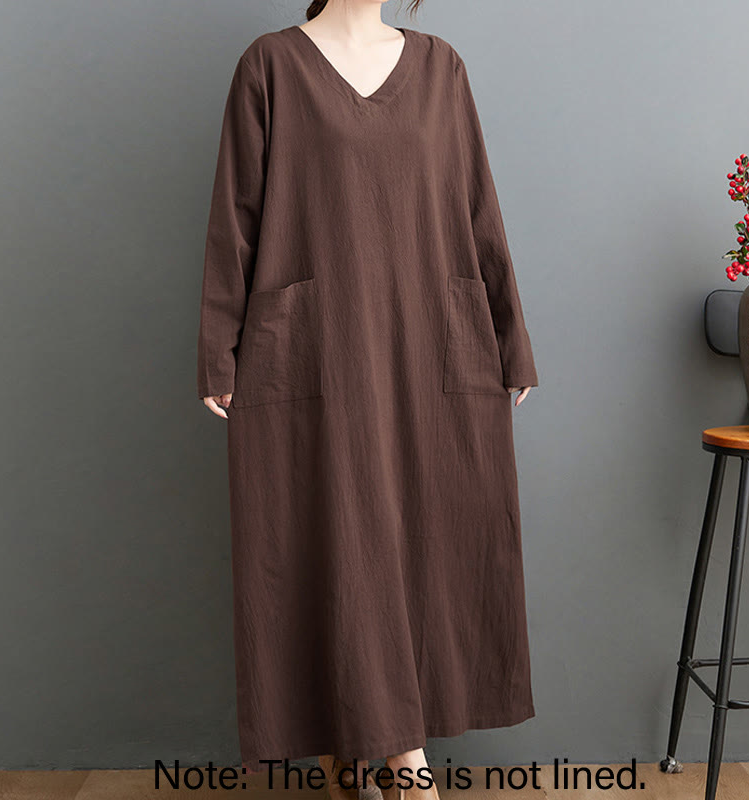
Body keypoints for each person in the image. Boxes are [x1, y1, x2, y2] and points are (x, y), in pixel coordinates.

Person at [196, 1, 539, 798]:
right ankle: (406, 770)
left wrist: (508, 335)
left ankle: (357, 755)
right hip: (319, 347)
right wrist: (219, 349)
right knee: (340, 541)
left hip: (427, 342)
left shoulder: (441, 68)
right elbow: (234, 216)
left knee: (419, 544)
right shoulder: (271, 66)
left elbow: (478, 207)